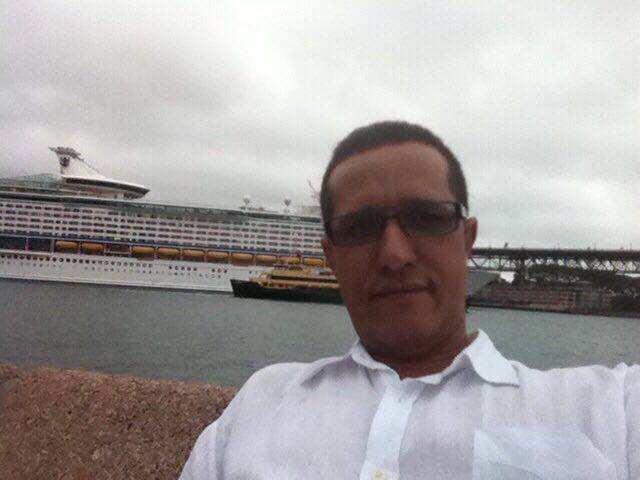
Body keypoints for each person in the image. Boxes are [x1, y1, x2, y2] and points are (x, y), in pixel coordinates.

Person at [180, 121, 639, 479]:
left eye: (427, 217)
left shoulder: (612, 408)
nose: (395, 255)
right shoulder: (258, 404)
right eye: (360, 227)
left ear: (468, 239)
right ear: (330, 256)